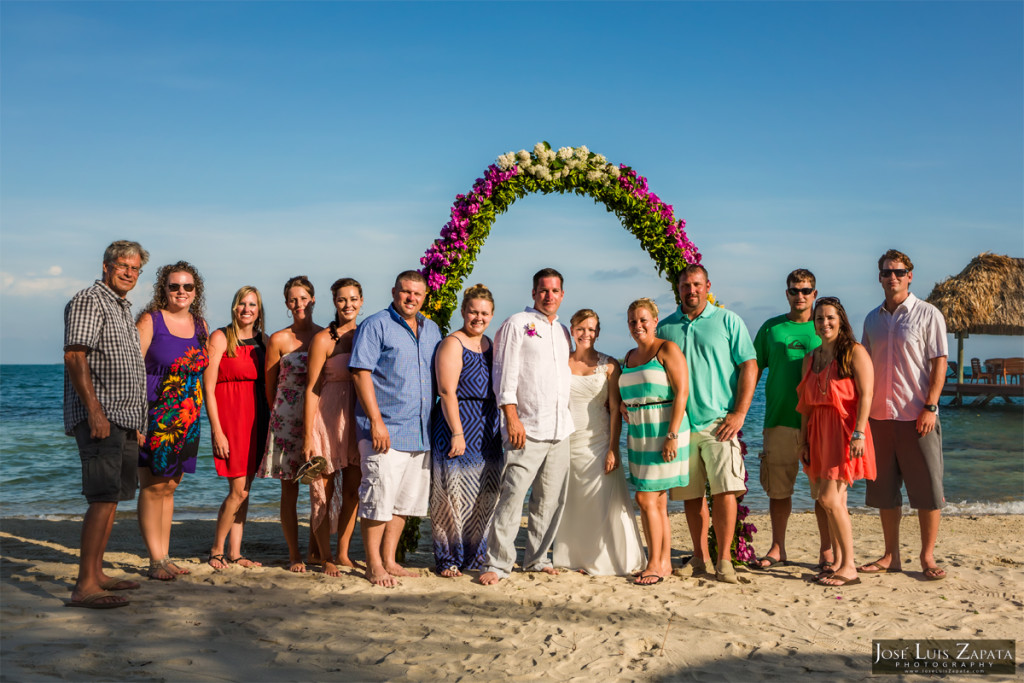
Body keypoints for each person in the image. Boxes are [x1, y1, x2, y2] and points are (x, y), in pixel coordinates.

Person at [657, 264, 757, 584]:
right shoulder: (665, 327)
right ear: (679, 289)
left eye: (697, 285)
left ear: (707, 286)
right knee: (691, 496)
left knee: (725, 491)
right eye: (686, 285)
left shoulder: (728, 321)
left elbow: (749, 366)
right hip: (681, 426)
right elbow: (654, 374)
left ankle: (724, 560)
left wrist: (740, 413)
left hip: (719, 423)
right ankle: (699, 559)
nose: (691, 290)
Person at [63, 240, 150, 608]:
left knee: (113, 497)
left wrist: (138, 422)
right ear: (106, 266)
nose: (129, 273)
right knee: (101, 497)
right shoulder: (89, 300)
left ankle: (97, 573)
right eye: (123, 266)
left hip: (124, 419)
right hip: (102, 416)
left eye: (135, 269)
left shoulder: (122, 308)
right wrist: (94, 410)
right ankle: (85, 585)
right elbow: (74, 353)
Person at [479, 268, 574, 586]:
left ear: (562, 294)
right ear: (534, 293)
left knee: (550, 499)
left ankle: (537, 558)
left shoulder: (562, 331)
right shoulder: (517, 324)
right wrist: (511, 416)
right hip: (527, 426)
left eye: (555, 291)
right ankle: (498, 562)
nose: (549, 296)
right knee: (513, 495)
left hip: (560, 429)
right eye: (543, 290)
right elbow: (503, 373)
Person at [859, 250, 949, 580]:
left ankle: (927, 557)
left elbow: (940, 361)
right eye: (886, 272)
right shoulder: (871, 319)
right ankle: (890, 556)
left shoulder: (929, 314)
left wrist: (931, 406)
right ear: (879, 277)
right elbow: (864, 367)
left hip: (917, 417)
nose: (892, 277)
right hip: (879, 418)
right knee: (884, 492)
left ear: (910, 275)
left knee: (926, 490)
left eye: (899, 271)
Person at [350, 270, 442, 586]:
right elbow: (361, 373)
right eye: (405, 292)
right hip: (383, 430)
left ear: (424, 296)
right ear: (394, 291)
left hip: (420, 433)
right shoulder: (375, 325)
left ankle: (389, 559)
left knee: (403, 502)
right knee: (377, 498)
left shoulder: (432, 330)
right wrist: (375, 421)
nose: (411, 298)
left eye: (417, 293)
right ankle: (373, 563)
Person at [552, 309, 646, 577]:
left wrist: (613, 449)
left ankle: (607, 558)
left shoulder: (609, 365)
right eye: (581, 328)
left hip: (599, 442)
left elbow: (615, 409)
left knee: (604, 500)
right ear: (571, 330)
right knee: (572, 500)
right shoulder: (560, 362)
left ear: (598, 333)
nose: (586, 334)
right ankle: (573, 556)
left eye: (591, 329)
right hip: (567, 440)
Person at [750, 269, 831, 571]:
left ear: (815, 293)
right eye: (794, 290)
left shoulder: (824, 329)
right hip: (778, 420)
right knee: (778, 490)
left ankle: (826, 550)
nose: (800, 296)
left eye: (806, 291)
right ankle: (777, 547)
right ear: (787, 293)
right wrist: (738, 409)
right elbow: (752, 371)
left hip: (819, 424)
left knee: (823, 493)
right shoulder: (772, 329)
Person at [136, 261, 210, 581]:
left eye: (187, 287)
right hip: (156, 415)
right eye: (174, 286)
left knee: (170, 486)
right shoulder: (150, 320)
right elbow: (133, 372)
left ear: (196, 291)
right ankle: (154, 560)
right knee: (152, 487)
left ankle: (164, 556)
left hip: (189, 416)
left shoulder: (201, 325)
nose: (181, 291)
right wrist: (136, 421)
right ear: (163, 289)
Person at [797, 297, 876, 587]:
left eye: (830, 317)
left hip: (845, 431)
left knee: (830, 499)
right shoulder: (812, 357)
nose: (825, 323)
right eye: (819, 318)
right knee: (832, 500)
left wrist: (860, 433)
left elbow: (867, 395)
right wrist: (802, 442)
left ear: (840, 320)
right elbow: (805, 404)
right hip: (818, 431)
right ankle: (840, 563)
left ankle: (850, 566)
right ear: (814, 323)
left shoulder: (854, 352)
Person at [429, 284, 503, 577]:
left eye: (484, 313)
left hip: (487, 426)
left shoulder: (491, 346)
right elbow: (446, 391)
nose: (478, 317)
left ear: (492, 315)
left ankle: (475, 555)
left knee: (485, 492)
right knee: (451, 492)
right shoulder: (452, 343)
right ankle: (448, 558)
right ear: (463, 311)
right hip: (456, 421)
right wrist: (457, 432)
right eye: (473, 311)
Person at [617, 300, 688, 584]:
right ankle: (664, 563)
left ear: (655, 320)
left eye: (643, 320)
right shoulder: (629, 356)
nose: (638, 326)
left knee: (645, 498)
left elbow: (682, 393)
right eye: (633, 321)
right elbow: (630, 388)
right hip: (638, 434)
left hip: (664, 430)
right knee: (656, 501)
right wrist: (624, 405)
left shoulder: (667, 349)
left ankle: (654, 563)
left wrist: (671, 435)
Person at [257, 276, 323, 573]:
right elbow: (270, 385)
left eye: (304, 298)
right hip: (285, 419)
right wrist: (279, 416)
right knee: (290, 490)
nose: (299, 304)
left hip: (318, 416)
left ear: (313, 300)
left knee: (318, 487)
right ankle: (294, 554)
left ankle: (317, 549)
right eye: (293, 299)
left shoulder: (324, 336)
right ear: (287, 305)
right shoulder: (278, 339)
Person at [204, 286, 270, 570]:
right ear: (234, 307)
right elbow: (207, 388)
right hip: (230, 421)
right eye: (242, 304)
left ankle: (235, 552)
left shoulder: (264, 341)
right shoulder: (220, 337)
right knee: (238, 491)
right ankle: (216, 549)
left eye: (253, 304)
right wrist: (217, 430)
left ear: (259, 310)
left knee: (246, 491)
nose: (247, 309)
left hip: (258, 419)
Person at [303, 278, 364, 577]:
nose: (348, 304)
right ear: (334, 303)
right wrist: (307, 435)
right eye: (342, 299)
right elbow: (312, 389)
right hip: (326, 420)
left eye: (353, 299)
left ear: (361, 302)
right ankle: (324, 555)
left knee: (353, 491)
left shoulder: (367, 335)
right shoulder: (324, 340)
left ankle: (343, 551)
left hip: (357, 419)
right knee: (323, 493)